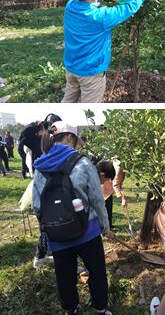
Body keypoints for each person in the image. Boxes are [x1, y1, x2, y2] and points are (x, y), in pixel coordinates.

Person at [32, 121, 115, 315]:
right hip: (87, 230)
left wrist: (49, 224)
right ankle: (100, 309)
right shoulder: (83, 162)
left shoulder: (40, 165)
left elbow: (37, 204)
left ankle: (72, 309)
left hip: (57, 235)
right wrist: (105, 226)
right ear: (69, 137)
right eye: (76, 140)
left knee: (64, 276)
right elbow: (96, 198)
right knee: (97, 272)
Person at [62, 0, 154, 103]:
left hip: (72, 67)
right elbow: (129, 7)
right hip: (91, 73)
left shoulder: (71, 5)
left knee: (68, 101)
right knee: (89, 108)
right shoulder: (101, 17)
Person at [96, 160, 127, 230]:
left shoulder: (123, 167)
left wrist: (123, 196)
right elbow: (115, 184)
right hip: (105, 187)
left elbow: (119, 183)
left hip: (109, 187)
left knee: (109, 207)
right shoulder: (119, 168)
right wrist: (122, 199)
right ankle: (104, 227)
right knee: (104, 208)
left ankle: (108, 225)